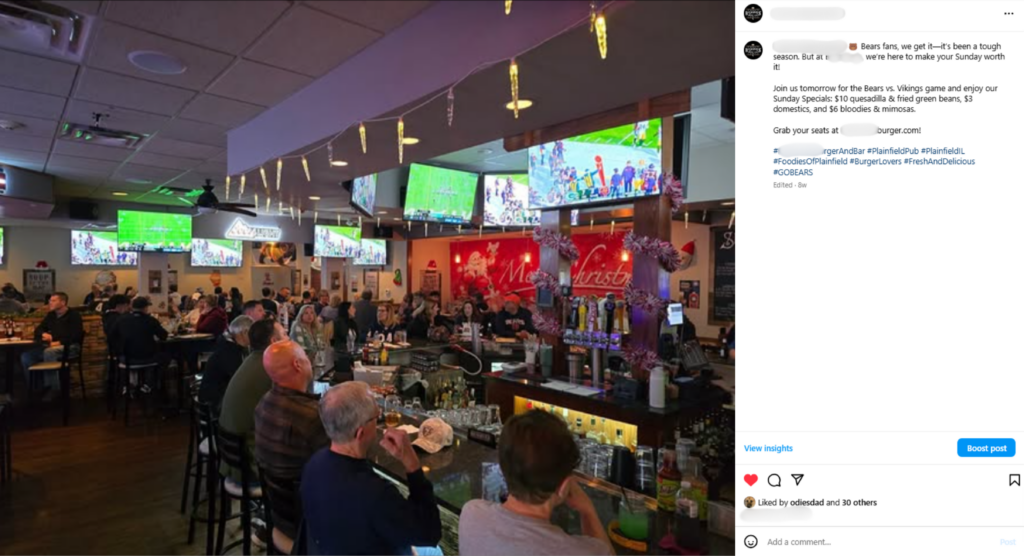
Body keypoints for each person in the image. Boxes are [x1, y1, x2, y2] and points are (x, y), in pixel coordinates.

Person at [302, 382, 442, 555]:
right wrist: (412, 464)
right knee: (435, 551)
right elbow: (431, 533)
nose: (379, 421)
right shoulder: (377, 494)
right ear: (361, 433)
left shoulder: (313, 464)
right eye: (377, 417)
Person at [458, 410, 613, 556]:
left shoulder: (472, 514)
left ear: (503, 469)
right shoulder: (579, 551)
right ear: (564, 487)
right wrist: (588, 511)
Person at [254, 341, 329, 548]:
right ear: (298, 365)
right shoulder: (313, 418)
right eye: (306, 357)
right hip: (309, 525)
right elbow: (338, 470)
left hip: (279, 517)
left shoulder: (263, 404)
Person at [219, 319, 288, 469]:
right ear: (274, 341)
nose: (288, 338)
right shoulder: (270, 368)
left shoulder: (252, 359)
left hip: (230, 455)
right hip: (248, 462)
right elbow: (288, 413)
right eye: (284, 334)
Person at [21, 292, 84, 393]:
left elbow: (75, 336)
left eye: (53, 300)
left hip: (71, 347)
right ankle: (35, 388)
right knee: (26, 356)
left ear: (63, 302)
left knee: (48, 352)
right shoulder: (51, 315)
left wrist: (59, 343)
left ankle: (53, 389)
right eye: (50, 300)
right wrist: (43, 334)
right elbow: (38, 330)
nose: (50, 302)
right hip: (52, 347)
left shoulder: (74, 315)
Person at [111, 296, 170, 393]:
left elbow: (112, 336)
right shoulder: (151, 320)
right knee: (165, 357)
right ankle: (149, 384)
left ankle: (128, 384)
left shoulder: (121, 319)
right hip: (147, 357)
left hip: (126, 358)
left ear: (132, 307)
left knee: (148, 355)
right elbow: (164, 336)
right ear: (145, 308)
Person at [198, 315, 253, 414]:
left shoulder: (228, 344)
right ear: (244, 333)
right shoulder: (229, 351)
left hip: (216, 395)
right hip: (215, 403)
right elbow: (238, 379)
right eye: (252, 333)